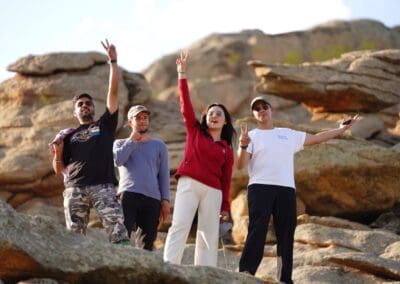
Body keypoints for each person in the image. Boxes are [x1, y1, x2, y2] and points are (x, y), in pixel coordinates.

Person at [237, 95, 357, 283]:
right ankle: (246, 273)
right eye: (257, 108)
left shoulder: (288, 134)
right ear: (253, 114)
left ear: (271, 109)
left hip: (285, 189)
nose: (261, 110)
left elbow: (317, 138)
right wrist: (243, 145)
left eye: (264, 106)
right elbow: (240, 165)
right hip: (259, 188)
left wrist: (341, 129)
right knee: (257, 230)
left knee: (286, 234)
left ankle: (284, 279)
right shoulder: (251, 136)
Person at [51, 40, 129, 244]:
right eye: (80, 104)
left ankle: (125, 269)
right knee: (74, 240)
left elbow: (113, 93)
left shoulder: (104, 124)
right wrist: (58, 152)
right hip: (75, 188)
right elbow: (58, 169)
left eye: (88, 103)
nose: (84, 106)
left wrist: (113, 61)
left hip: (103, 186)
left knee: (118, 234)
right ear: (74, 111)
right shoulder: (67, 135)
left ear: (93, 109)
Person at [163, 51, 236, 266]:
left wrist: (225, 207)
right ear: (205, 118)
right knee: (180, 226)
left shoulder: (227, 149)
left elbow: (226, 180)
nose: (214, 115)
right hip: (189, 184)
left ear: (225, 122)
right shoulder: (194, 130)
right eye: (210, 113)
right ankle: (168, 267)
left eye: (218, 114)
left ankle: (206, 274)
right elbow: (185, 104)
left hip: (213, 191)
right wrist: (182, 74)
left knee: (208, 236)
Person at [113, 104, 170, 251]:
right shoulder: (120, 143)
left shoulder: (159, 145)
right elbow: (118, 160)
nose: (143, 120)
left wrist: (165, 201)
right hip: (128, 195)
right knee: (121, 236)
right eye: (138, 118)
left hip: (152, 199)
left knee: (147, 243)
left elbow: (164, 175)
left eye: (145, 118)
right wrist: (132, 140)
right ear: (130, 122)